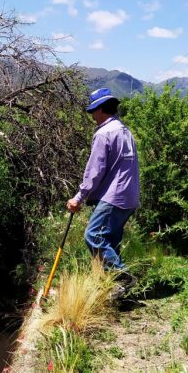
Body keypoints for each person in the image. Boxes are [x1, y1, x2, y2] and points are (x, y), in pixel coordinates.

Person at [66, 87, 140, 274]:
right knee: (111, 242)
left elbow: (94, 172)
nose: (92, 116)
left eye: (92, 111)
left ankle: (122, 276)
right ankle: (117, 290)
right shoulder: (125, 132)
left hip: (114, 196)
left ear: (99, 109)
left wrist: (79, 198)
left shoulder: (104, 133)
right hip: (130, 197)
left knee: (93, 236)